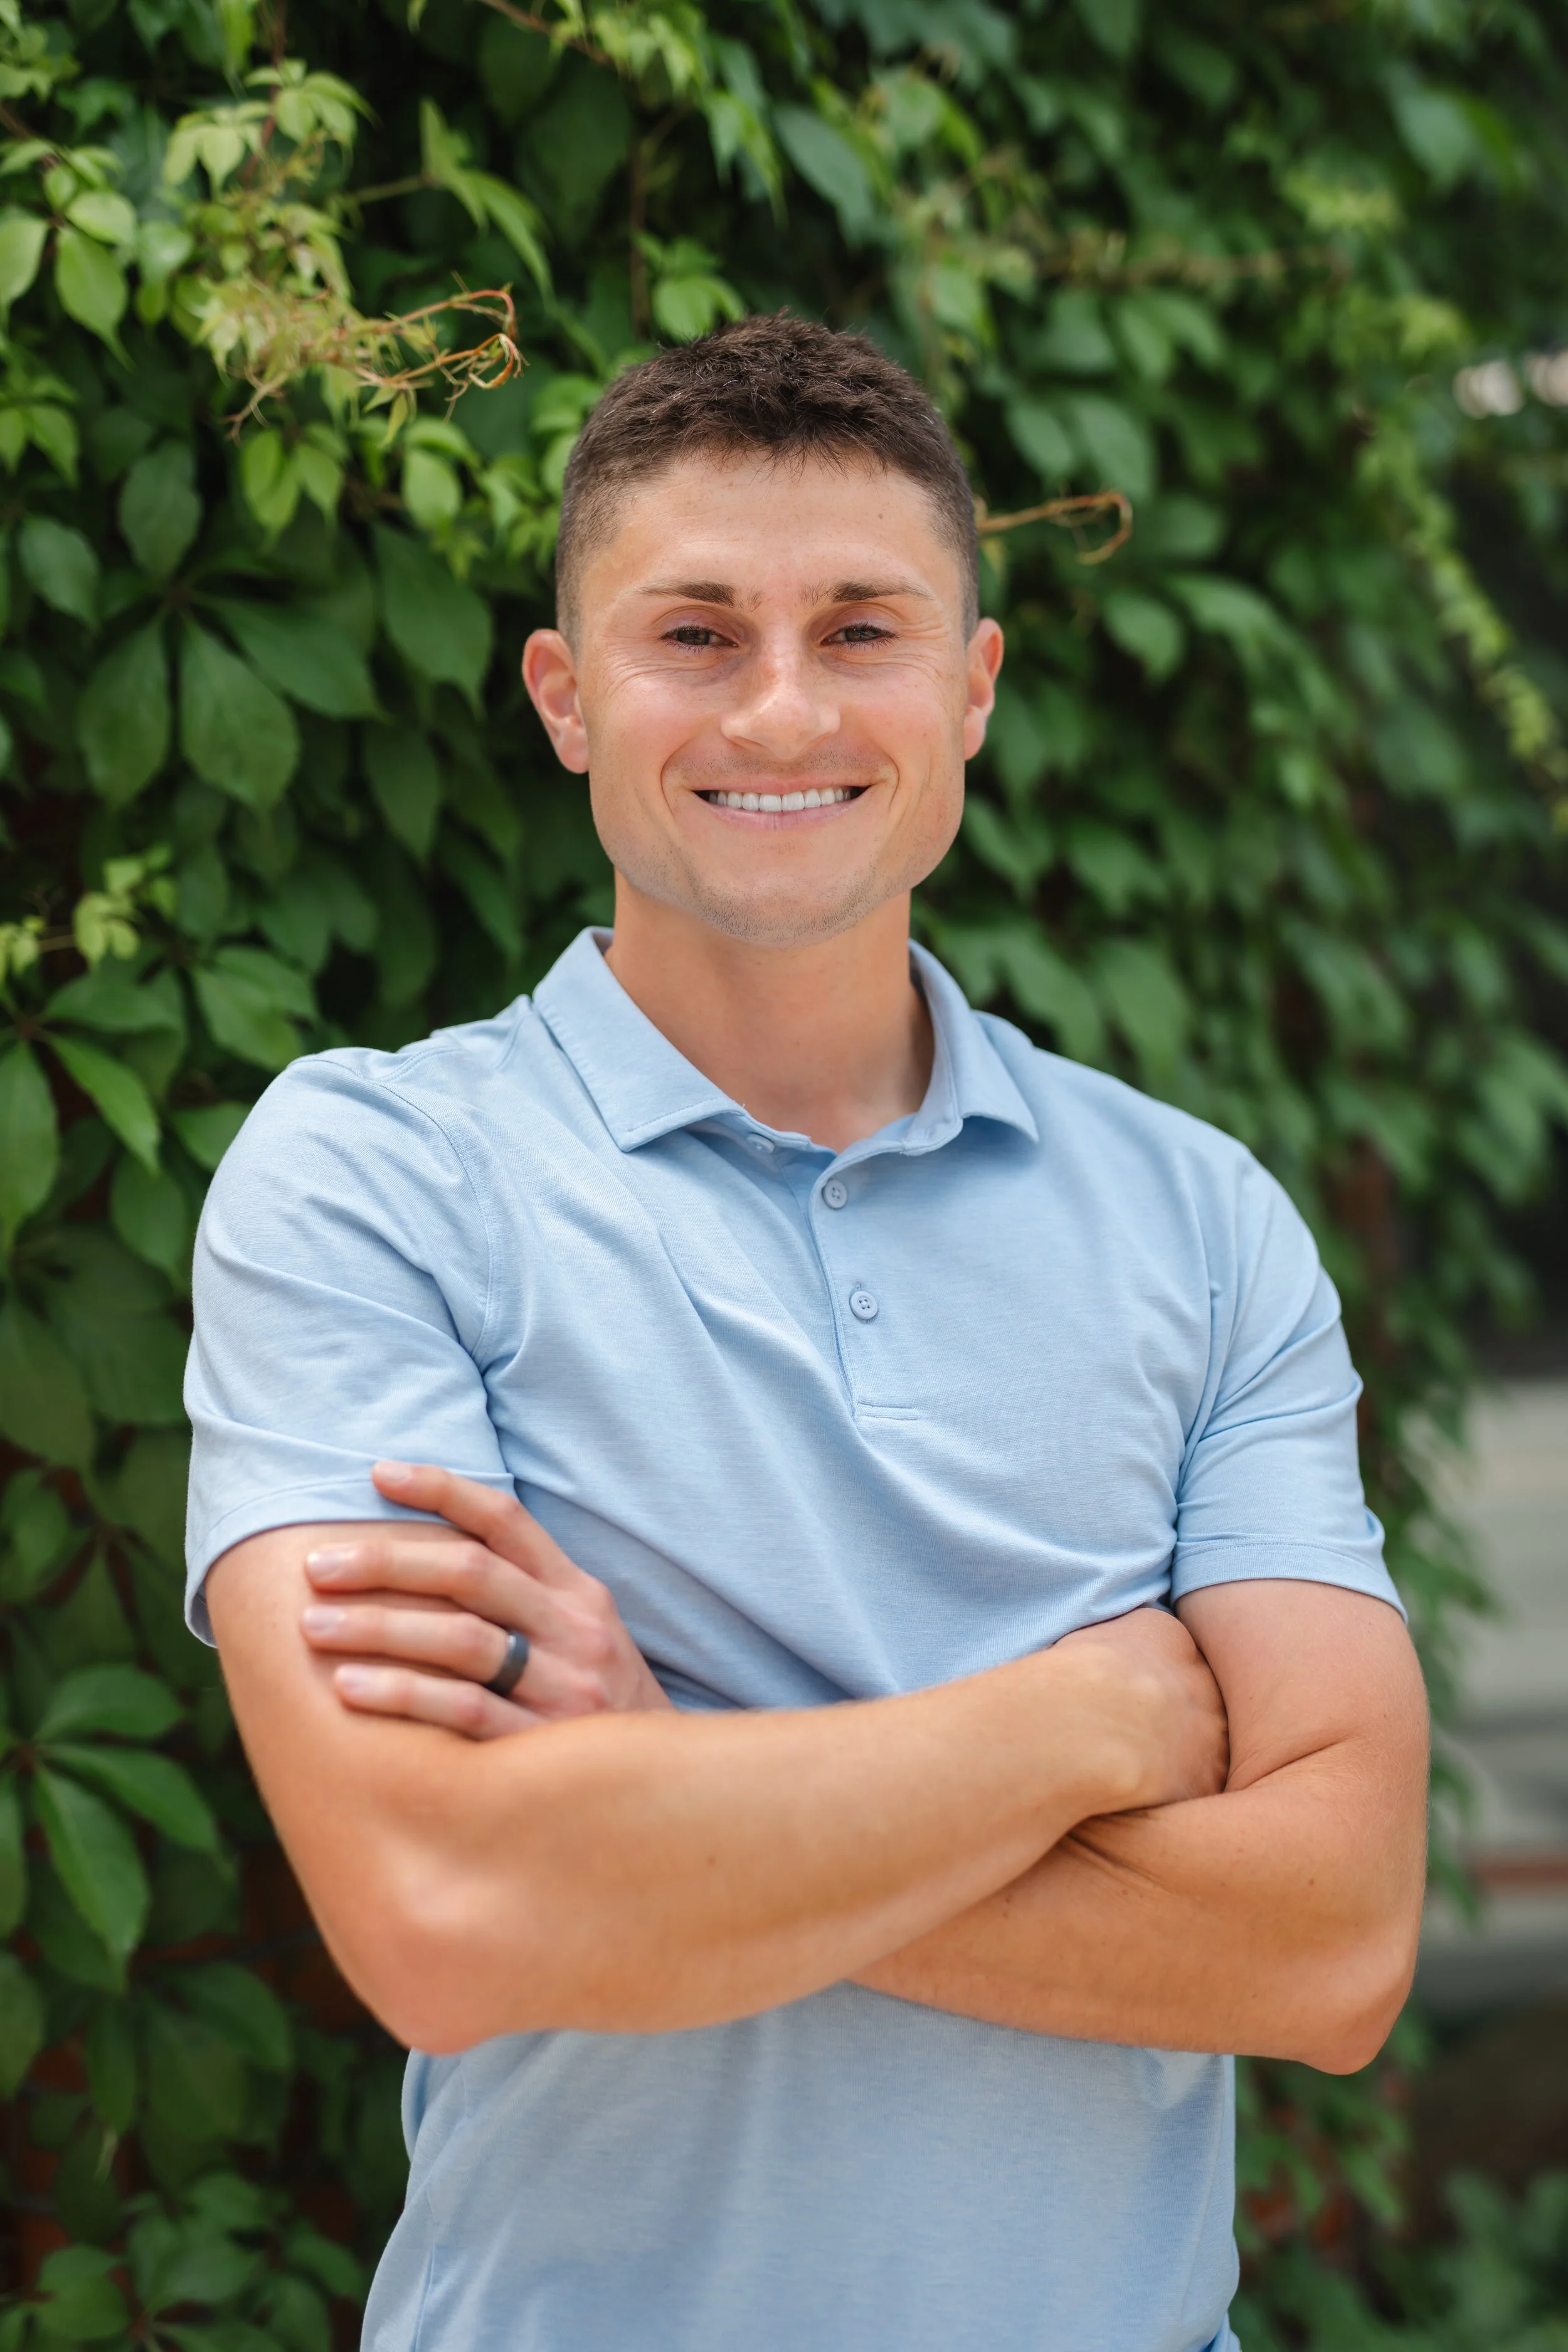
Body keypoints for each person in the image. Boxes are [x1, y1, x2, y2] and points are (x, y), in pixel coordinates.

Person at [188, 315, 1429, 2352]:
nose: (780, 706)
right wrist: (1084, 1723)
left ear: (973, 686)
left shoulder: (1198, 1220)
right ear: (566, 698)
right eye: (694, 634)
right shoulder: (376, 1180)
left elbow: (1333, 1943)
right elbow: (452, 1916)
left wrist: (664, 1786)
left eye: (860, 629)